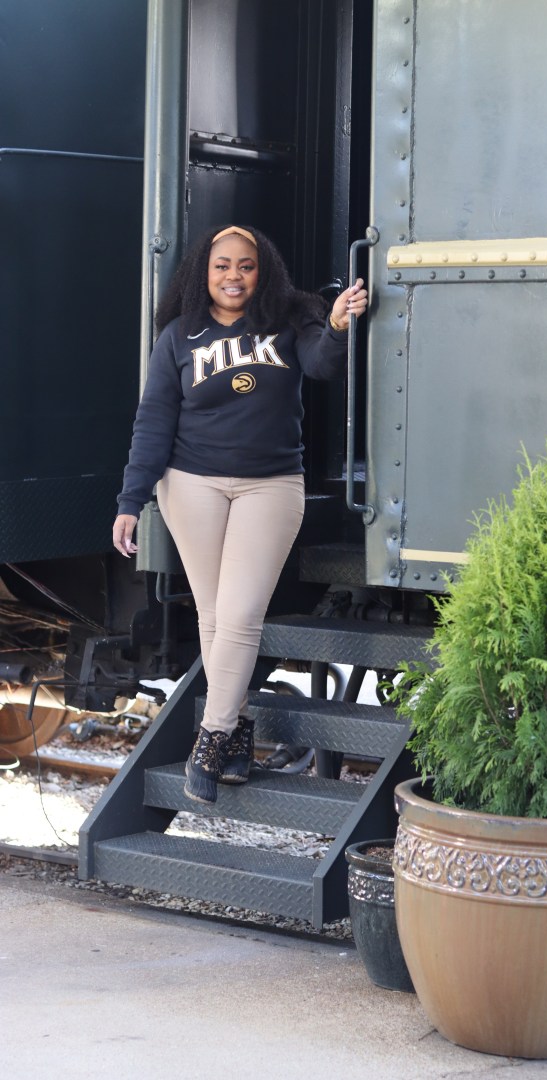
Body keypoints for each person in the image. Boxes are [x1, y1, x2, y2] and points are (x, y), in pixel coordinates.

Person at [113, 224, 368, 804]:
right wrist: (131, 500)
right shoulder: (179, 336)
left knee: (240, 613)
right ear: (203, 273)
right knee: (214, 617)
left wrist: (336, 326)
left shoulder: (291, 318)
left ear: (263, 271)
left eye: (246, 266)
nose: (234, 276)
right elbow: (153, 422)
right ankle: (239, 728)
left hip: (270, 487)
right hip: (190, 485)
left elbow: (322, 365)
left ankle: (212, 737)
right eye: (222, 266)